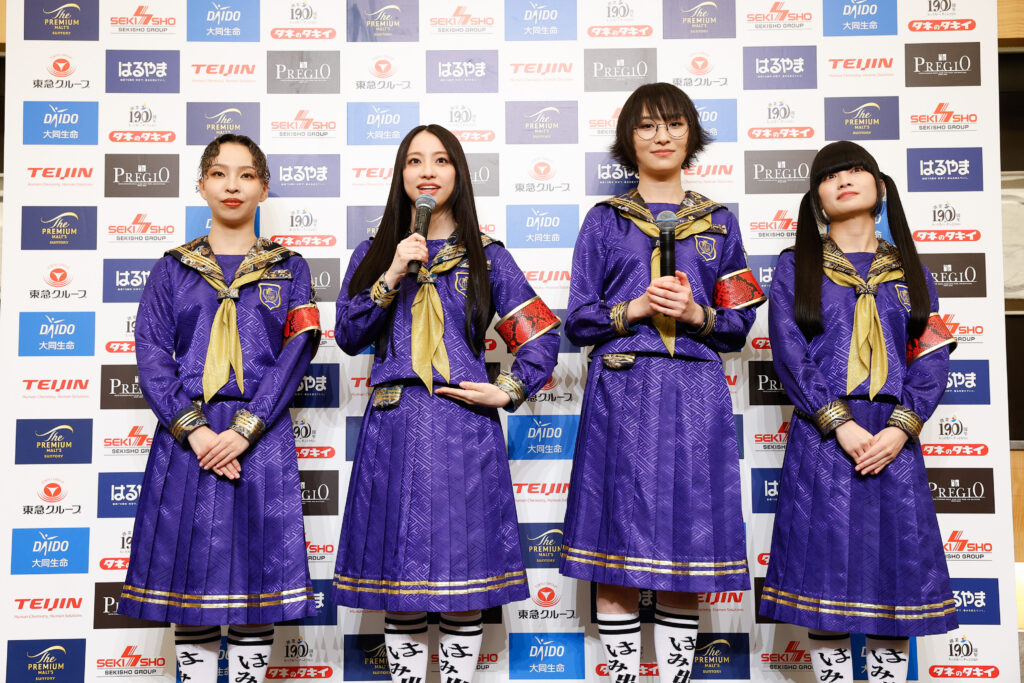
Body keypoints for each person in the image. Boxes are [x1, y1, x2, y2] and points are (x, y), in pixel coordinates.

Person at [333, 124, 560, 683]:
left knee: (464, 583)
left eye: (440, 160)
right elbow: (348, 335)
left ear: (458, 173)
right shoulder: (374, 252)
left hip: (464, 429)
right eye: (414, 161)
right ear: (400, 175)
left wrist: (508, 389)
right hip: (395, 426)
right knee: (400, 584)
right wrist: (392, 272)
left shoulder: (488, 256)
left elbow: (540, 333)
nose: (427, 171)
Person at [558, 83, 763, 683]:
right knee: (615, 552)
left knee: (686, 551)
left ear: (691, 135)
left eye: (674, 124)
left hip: (696, 393)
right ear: (629, 140)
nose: (662, 136)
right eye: (646, 126)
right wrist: (637, 309)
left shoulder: (720, 223)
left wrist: (697, 313)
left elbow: (739, 324)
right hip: (621, 392)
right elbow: (577, 320)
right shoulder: (604, 221)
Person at [118, 134, 320, 683]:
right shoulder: (171, 269)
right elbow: (151, 353)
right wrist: (198, 432)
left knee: (257, 588)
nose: (233, 185)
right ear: (202, 184)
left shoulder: (291, 268)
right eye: (220, 173)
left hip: (262, 437)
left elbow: (299, 348)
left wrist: (247, 428)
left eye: (246, 174)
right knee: (192, 588)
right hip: (189, 438)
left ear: (264, 188)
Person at [759, 140, 958, 682]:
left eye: (855, 170)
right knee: (824, 587)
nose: (844, 180)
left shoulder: (914, 272)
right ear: (816, 199)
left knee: (895, 584)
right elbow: (790, 351)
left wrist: (902, 428)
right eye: (829, 176)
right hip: (824, 439)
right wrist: (839, 422)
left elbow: (932, 358)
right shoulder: (796, 266)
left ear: (881, 187)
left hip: (894, 441)